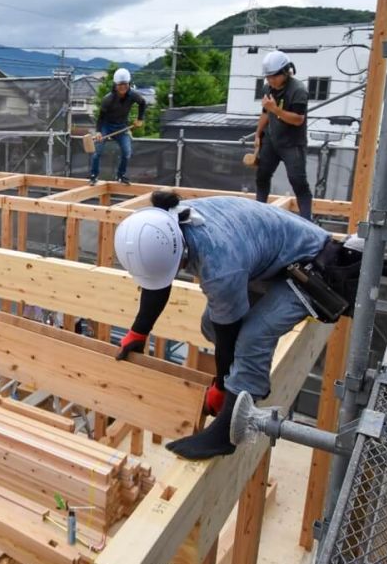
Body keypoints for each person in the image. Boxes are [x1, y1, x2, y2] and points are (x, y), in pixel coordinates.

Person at [113, 190, 331, 460]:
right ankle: (238, 380)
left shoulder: (220, 267)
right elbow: (158, 280)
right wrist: (138, 332)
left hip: (312, 270)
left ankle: (230, 426)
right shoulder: (165, 224)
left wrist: (221, 385)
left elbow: (230, 334)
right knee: (212, 326)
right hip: (270, 261)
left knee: (253, 336)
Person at [253, 51, 313, 220]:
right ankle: (259, 213)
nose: (270, 80)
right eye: (268, 77)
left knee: (298, 182)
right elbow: (265, 112)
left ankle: (306, 220)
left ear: (286, 72)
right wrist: (258, 134)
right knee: (262, 176)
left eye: (274, 76)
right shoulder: (268, 88)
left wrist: (276, 110)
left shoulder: (298, 90)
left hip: (292, 143)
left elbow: (298, 120)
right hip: (272, 140)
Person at [90, 67, 146, 185]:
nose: (123, 87)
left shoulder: (133, 95)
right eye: (120, 84)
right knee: (97, 152)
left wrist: (140, 119)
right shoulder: (108, 99)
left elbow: (143, 103)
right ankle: (93, 176)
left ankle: (121, 176)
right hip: (106, 126)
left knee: (127, 152)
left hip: (121, 127)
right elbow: (100, 117)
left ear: (129, 84)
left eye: (125, 84)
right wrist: (99, 131)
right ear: (115, 85)